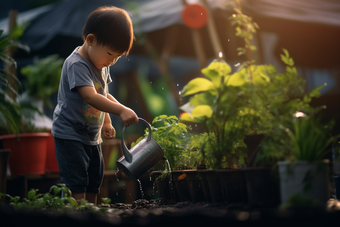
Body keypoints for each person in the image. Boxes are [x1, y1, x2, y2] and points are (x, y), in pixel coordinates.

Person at [52, 6, 138, 205]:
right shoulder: (77, 64)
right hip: (70, 134)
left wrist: (107, 121)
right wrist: (121, 110)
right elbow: (91, 97)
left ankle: (91, 213)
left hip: (92, 136)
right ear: (90, 40)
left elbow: (104, 94)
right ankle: (75, 216)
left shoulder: (102, 64)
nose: (111, 61)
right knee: (77, 181)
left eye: (116, 57)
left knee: (94, 180)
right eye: (110, 54)